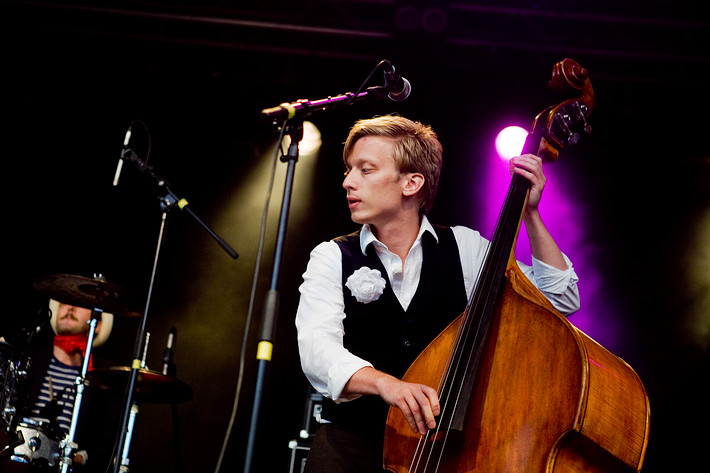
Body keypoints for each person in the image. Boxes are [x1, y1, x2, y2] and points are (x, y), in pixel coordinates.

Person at [294, 114, 580, 473]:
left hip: (443, 450)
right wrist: (386, 384)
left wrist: (531, 214)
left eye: (364, 170)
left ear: (412, 182)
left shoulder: (464, 247)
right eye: (349, 169)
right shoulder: (331, 256)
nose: (347, 182)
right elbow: (317, 350)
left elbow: (559, 302)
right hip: (350, 448)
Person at [2, 299, 120, 472]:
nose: (69, 308)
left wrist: (81, 457)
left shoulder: (103, 378)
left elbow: (103, 446)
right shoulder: (29, 359)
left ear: (99, 324)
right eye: (65, 303)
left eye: (80, 303)